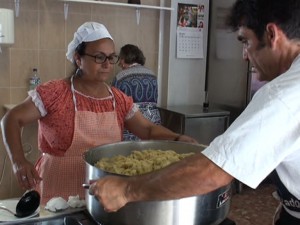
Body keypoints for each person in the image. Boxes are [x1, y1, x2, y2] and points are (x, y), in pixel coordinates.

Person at [89, 1, 300, 224]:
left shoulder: (283, 93)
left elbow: (214, 171)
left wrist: (127, 189)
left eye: (246, 41)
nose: (244, 56)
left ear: (271, 34)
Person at [0, 21, 197, 205]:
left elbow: (147, 129)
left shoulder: (118, 99)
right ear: (78, 58)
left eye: (111, 57)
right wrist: (19, 161)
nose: (107, 64)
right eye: (99, 57)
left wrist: (177, 138)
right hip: (57, 189)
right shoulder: (55, 93)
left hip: (102, 192)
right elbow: (11, 119)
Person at [112, 44, 160, 141]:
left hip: (132, 126)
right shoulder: (152, 74)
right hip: (153, 123)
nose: (119, 63)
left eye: (120, 58)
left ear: (125, 58)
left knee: (131, 154)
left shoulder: (120, 77)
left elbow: (114, 103)